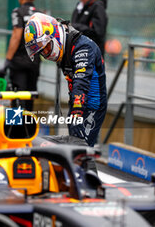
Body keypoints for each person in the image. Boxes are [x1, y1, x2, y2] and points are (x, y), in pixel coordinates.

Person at [24, 13, 107, 147]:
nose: (46, 54)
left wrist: (76, 112)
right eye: (41, 52)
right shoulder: (64, 46)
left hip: (91, 107)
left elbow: (81, 82)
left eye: (46, 48)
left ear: (54, 35)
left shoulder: (83, 47)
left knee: (79, 149)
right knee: (69, 150)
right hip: (76, 105)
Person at [3, 0, 41, 111]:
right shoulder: (40, 14)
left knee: (16, 98)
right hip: (34, 62)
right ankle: (29, 127)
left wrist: (8, 60)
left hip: (18, 63)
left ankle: (14, 127)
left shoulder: (17, 11)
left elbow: (16, 35)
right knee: (30, 97)